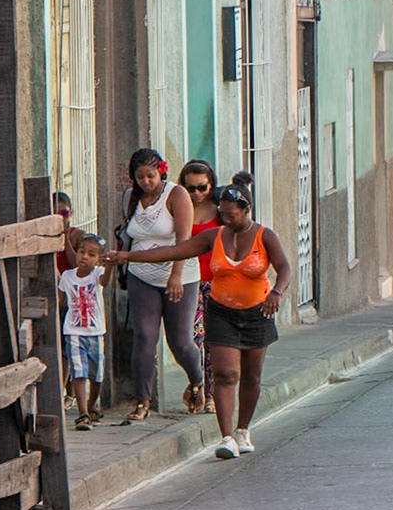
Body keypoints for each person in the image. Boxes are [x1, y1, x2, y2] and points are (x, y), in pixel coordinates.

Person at [111, 181, 291, 461]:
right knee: (226, 374)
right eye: (224, 213)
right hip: (221, 313)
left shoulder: (265, 237)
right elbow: (175, 251)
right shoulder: (214, 236)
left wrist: (277, 292)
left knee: (251, 376)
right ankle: (227, 436)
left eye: (232, 214)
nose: (227, 218)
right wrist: (128, 256)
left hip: (258, 313)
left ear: (247, 210)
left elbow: (284, 268)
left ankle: (243, 430)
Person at [117, 148, 203, 423]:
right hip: (141, 276)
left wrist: (175, 276)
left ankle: (198, 381)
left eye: (151, 176)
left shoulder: (176, 195)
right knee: (144, 335)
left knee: (179, 341)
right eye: (140, 177)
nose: (146, 182)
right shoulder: (129, 198)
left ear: (161, 172)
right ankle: (142, 400)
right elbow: (126, 234)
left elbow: (184, 239)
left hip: (180, 275)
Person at [179, 160, 223, 416]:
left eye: (201, 187)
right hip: (190, 282)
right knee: (193, 340)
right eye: (190, 188)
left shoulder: (220, 211)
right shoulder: (179, 209)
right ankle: (195, 387)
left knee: (214, 343)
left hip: (217, 283)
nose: (196, 194)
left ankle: (212, 396)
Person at [59, 234, 108, 426]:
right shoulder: (67, 277)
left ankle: (91, 403)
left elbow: (105, 281)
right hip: (74, 332)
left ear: (98, 259)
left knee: (97, 376)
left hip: (95, 332)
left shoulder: (98, 274)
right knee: (78, 372)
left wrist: (110, 265)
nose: (84, 257)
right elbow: (62, 300)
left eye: (91, 254)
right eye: (81, 252)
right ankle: (83, 413)